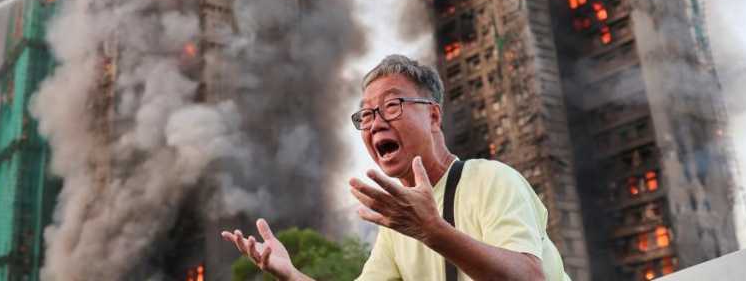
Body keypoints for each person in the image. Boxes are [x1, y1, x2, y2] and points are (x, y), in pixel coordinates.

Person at [221, 55, 570, 281]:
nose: (375, 123)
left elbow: (529, 277)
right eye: (367, 114)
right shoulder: (398, 226)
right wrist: (290, 274)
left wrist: (432, 230)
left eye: (391, 105)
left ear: (433, 115)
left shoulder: (491, 180)